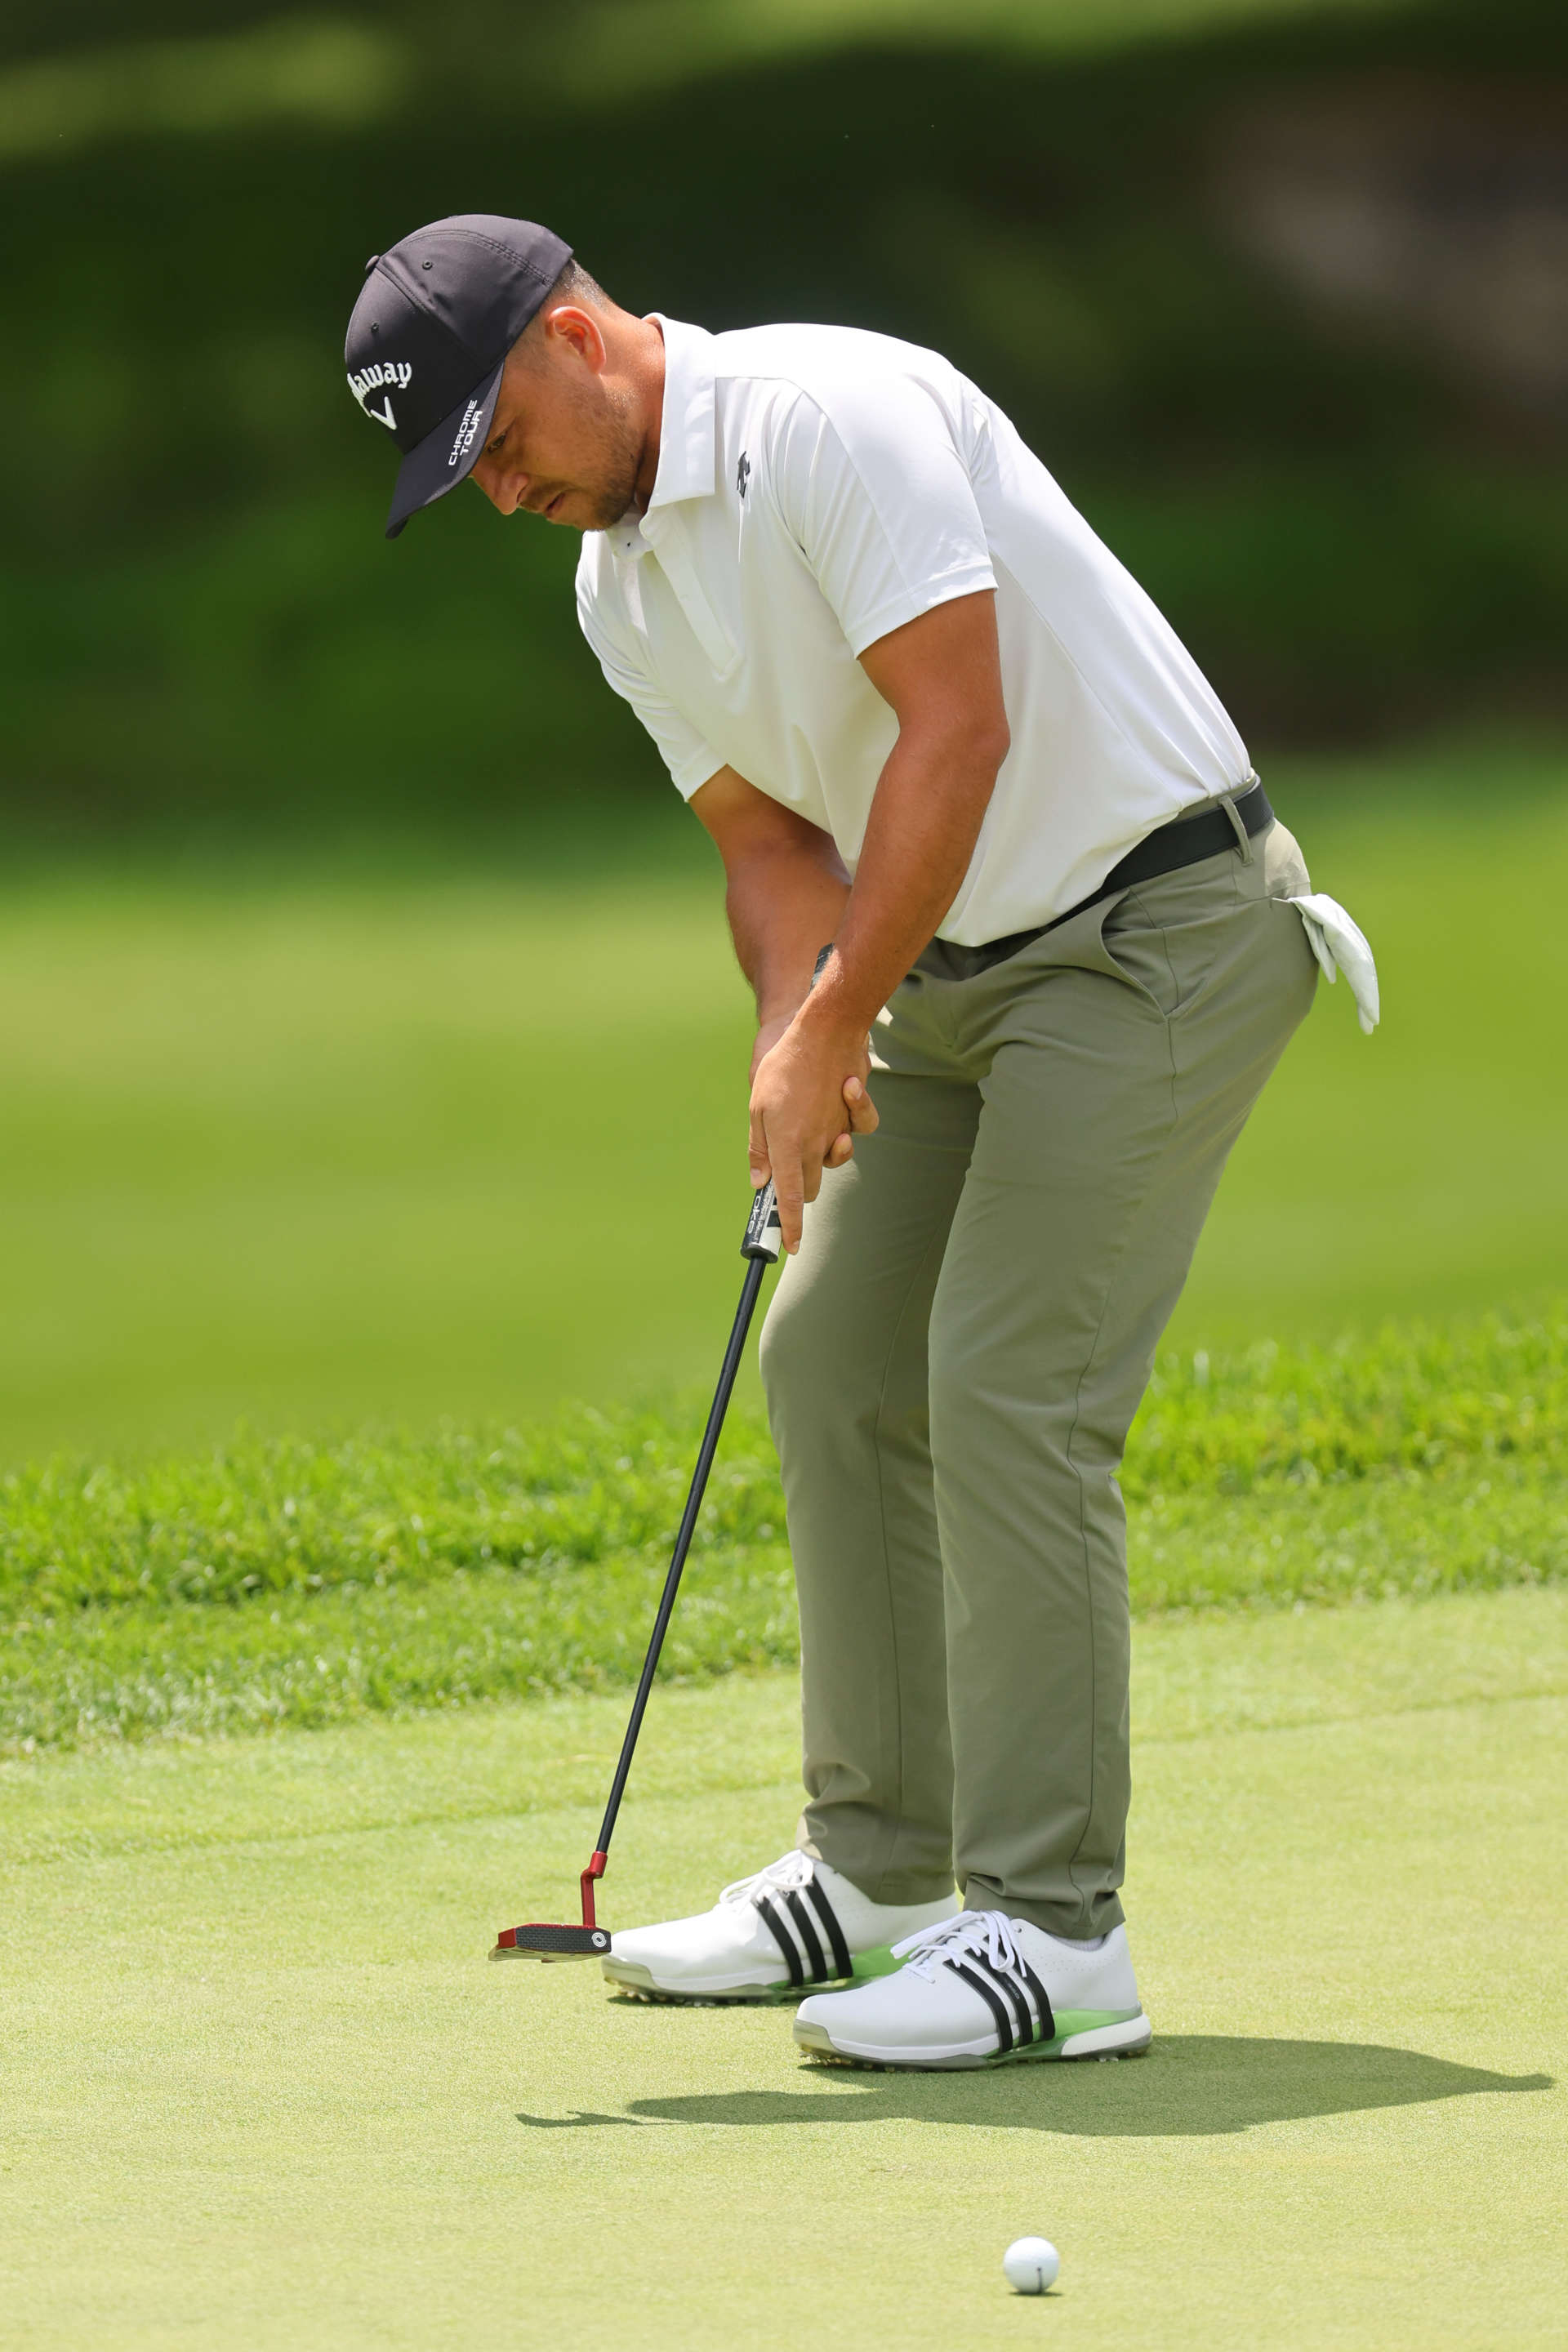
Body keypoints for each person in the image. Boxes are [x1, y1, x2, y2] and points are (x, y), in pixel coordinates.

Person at [345, 215, 1366, 2073]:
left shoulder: (831, 414)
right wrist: (786, 1035)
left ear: (575, 336)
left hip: (1156, 927)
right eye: (464, 478)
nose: (500, 496)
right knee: (830, 1358)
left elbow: (952, 737)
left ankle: (1058, 1938)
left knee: (1006, 1384)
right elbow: (768, 850)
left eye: (495, 444)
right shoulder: (617, 586)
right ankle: (883, 1872)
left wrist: (837, 1021)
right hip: (954, 961)